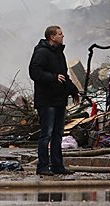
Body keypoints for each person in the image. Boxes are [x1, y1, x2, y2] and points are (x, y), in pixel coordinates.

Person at [29, 26, 80, 176]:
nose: (63, 36)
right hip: (47, 101)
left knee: (58, 134)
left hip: (59, 100)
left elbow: (64, 75)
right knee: (47, 134)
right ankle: (43, 166)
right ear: (52, 37)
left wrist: (73, 91)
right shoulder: (41, 52)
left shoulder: (59, 54)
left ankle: (58, 166)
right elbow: (34, 72)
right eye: (59, 34)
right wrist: (52, 77)